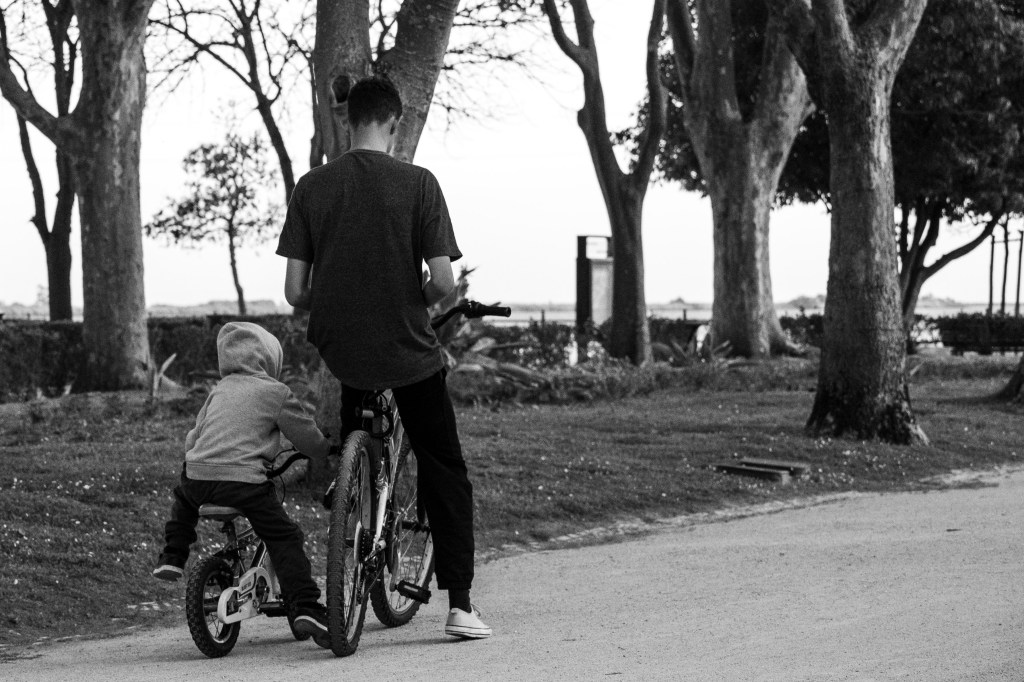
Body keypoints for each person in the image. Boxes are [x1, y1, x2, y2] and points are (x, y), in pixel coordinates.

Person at [276, 75, 491, 640]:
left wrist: (343, 299)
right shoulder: (419, 184)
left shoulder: (311, 187)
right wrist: (408, 296)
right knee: (444, 466)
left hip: (344, 350)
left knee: (359, 441)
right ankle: (460, 606)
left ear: (347, 121)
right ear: (395, 123)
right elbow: (443, 282)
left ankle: (351, 507)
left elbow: (296, 292)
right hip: (406, 349)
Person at [153, 321, 333, 644]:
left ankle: (172, 556)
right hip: (244, 482)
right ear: (270, 359)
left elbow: (193, 437)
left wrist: (205, 458)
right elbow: (307, 437)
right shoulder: (275, 392)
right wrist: (325, 448)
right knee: (285, 536)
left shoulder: (219, 391)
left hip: (198, 476)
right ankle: (306, 606)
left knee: (184, 501)